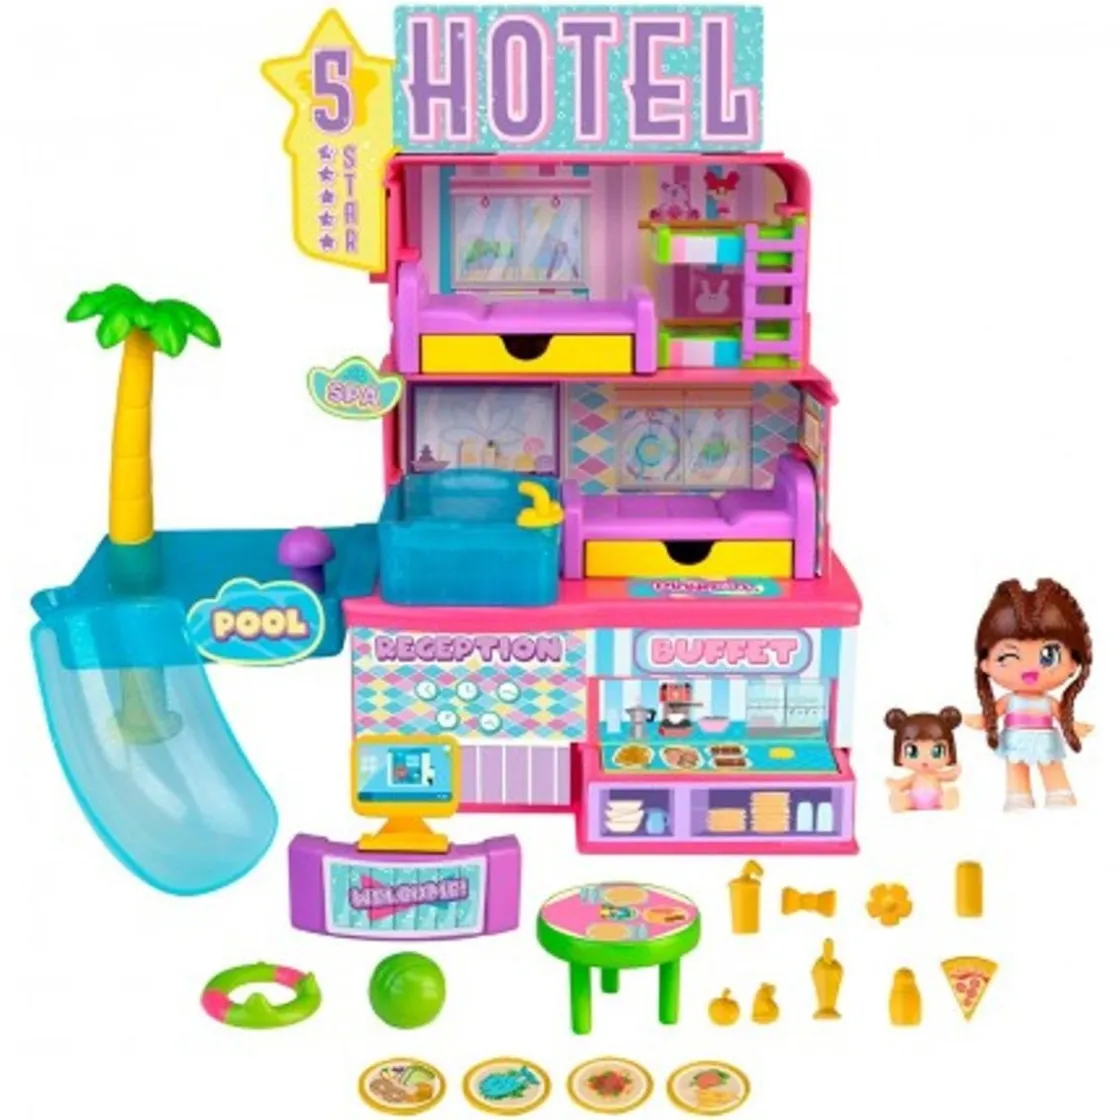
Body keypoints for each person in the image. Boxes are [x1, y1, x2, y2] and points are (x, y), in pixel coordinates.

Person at [965, 579, 1092, 809]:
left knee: (1050, 763)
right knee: (1016, 766)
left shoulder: (1048, 702)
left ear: (1074, 663)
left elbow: (1062, 715)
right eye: (1009, 656)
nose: (1030, 670)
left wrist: (1073, 726)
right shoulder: (1009, 701)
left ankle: (1059, 792)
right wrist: (982, 720)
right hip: (1015, 738)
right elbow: (993, 713)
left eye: (1049, 655)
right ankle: (1018, 795)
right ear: (985, 664)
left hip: (1045, 738)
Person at [884, 707, 962, 810]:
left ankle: (946, 800)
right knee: (907, 800)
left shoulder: (935, 775)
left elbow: (949, 776)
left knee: (943, 798)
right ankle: (903, 802)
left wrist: (955, 771)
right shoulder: (914, 777)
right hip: (913, 800)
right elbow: (902, 784)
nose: (925, 758)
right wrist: (895, 784)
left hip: (937, 799)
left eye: (936, 751)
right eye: (912, 751)